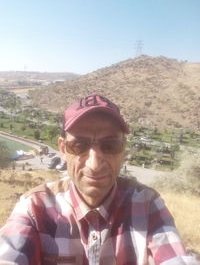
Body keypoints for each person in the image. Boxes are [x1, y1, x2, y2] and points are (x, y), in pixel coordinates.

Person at [0, 94, 198, 265]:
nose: (94, 164)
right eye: (79, 145)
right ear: (62, 149)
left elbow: (174, 256)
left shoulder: (146, 205)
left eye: (110, 146)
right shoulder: (35, 208)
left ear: (123, 149)